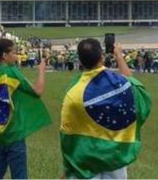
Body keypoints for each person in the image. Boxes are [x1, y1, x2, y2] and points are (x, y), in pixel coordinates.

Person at [61, 40, 151, 179]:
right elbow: (136, 88)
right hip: (115, 157)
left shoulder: (73, 93)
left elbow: (68, 133)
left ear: (79, 60)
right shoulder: (121, 83)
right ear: (102, 57)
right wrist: (119, 56)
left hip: (87, 160)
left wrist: (68, 167)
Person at [0, 39, 51, 179]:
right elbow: (38, 91)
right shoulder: (10, 71)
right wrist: (42, 71)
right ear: (4, 55)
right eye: (14, 53)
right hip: (13, 133)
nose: (17, 56)